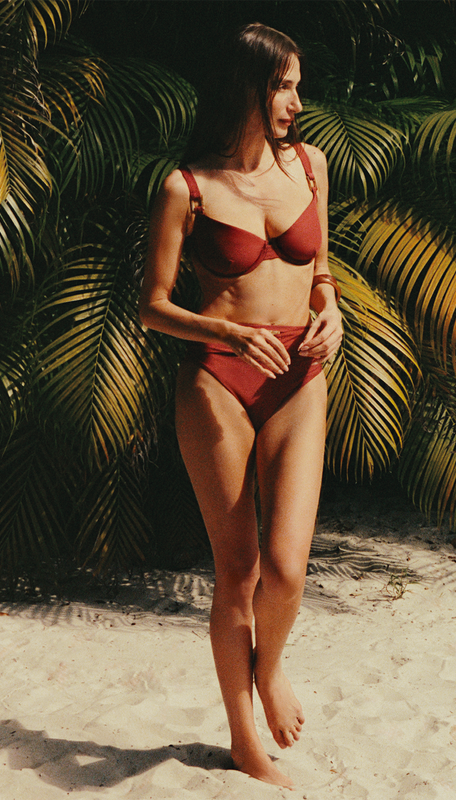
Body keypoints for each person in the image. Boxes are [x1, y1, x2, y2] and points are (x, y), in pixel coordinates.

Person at [139, 22, 342, 788]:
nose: (297, 99)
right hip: (217, 380)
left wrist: (333, 306)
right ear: (248, 88)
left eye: (297, 84)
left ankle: (270, 670)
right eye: (284, 84)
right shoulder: (186, 187)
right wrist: (225, 327)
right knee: (239, 569)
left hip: (299, 377)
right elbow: (153, 306)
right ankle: (243, 740)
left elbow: (319, 265)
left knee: (287, 569)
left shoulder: (311, 165)